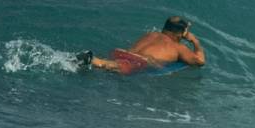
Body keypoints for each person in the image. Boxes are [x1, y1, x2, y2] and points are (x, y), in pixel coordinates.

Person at [75, 15, 206, 75]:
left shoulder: (152, 34)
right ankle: (92, 59)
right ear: (179, 34)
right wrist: (195, 41)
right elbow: (200, 62)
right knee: (109, 65)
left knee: (113, 65)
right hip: (139, 61)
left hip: (122, 52)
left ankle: (83, 60)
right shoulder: (178, 47)